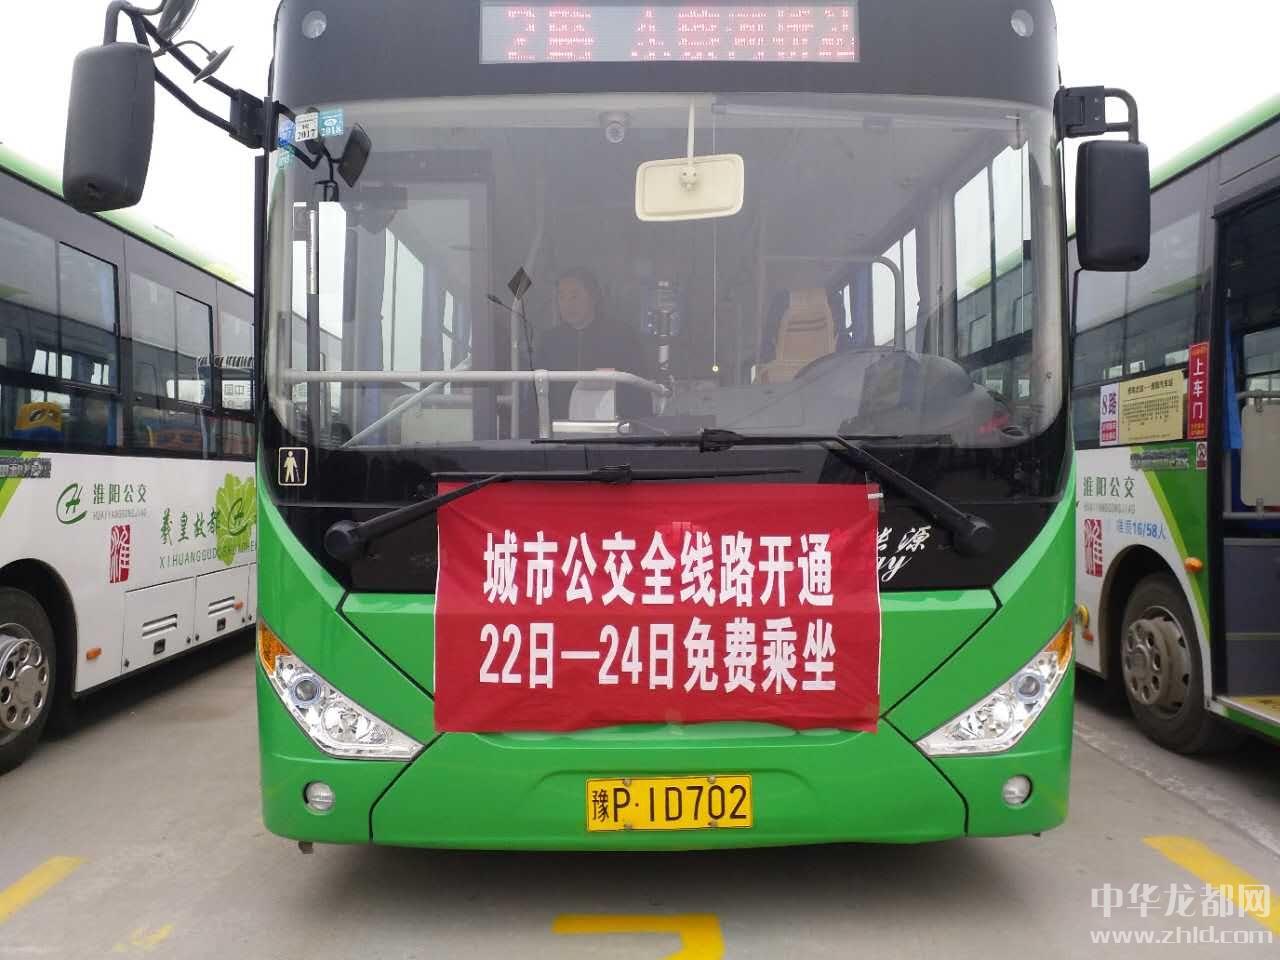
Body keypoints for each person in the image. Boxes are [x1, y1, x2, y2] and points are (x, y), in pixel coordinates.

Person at [534, 268, 652, 421]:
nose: (568, 304)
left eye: (575, 296)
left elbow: (638, 388)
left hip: (614, 427)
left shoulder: (621, 336)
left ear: (594, 297)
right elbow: (537, 392)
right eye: (562, 297)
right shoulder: (550, 341)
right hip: (558, 426)